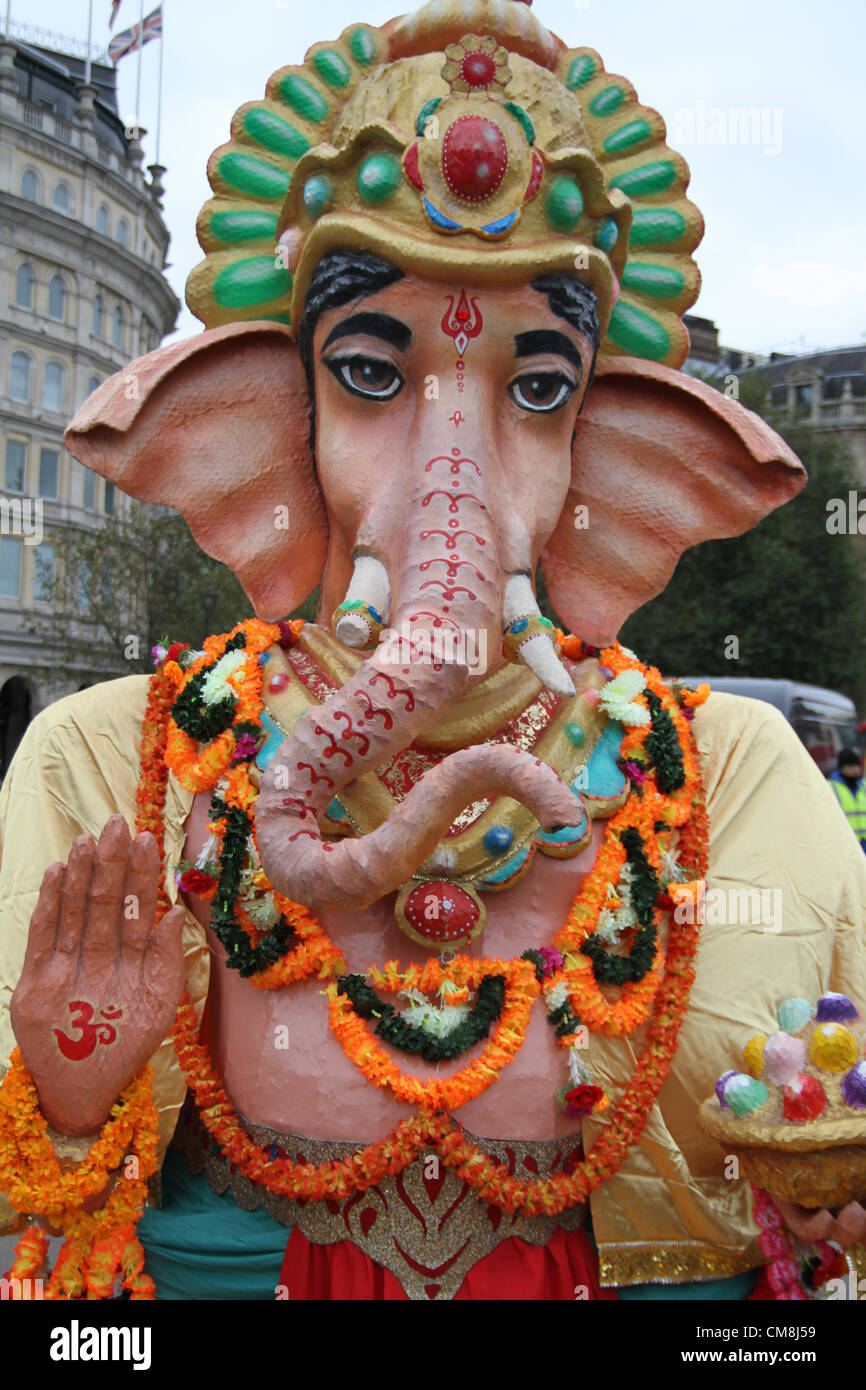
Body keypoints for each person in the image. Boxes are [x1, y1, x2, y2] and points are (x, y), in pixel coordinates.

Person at [1, 0, 865, 1303]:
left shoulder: (729, 772)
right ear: (263, 429)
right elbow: (53, 1244)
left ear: (614, 466)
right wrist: (71, 1104)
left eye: (535, 388)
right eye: (367, 371)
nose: (440, 470)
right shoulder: (117, 761)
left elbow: (810, 1160)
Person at [829, 748, 866, 853]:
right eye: (850, 766)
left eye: (857, 766)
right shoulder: (830, 787)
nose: (855, 770)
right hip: (845, 845)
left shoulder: (864, 786)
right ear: (841, 768)